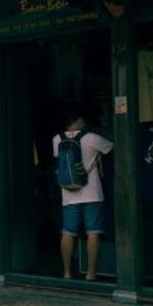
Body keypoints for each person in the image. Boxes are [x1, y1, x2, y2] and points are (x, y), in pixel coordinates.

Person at [53, 112, 115, 281]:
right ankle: (91, 274)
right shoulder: (92, 138)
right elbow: (112, 147)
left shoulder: (56, 139)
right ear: (77, 120)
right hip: (92, 193)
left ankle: (66, 273)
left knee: (68, 232)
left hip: (68, 192)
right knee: (93, 232)